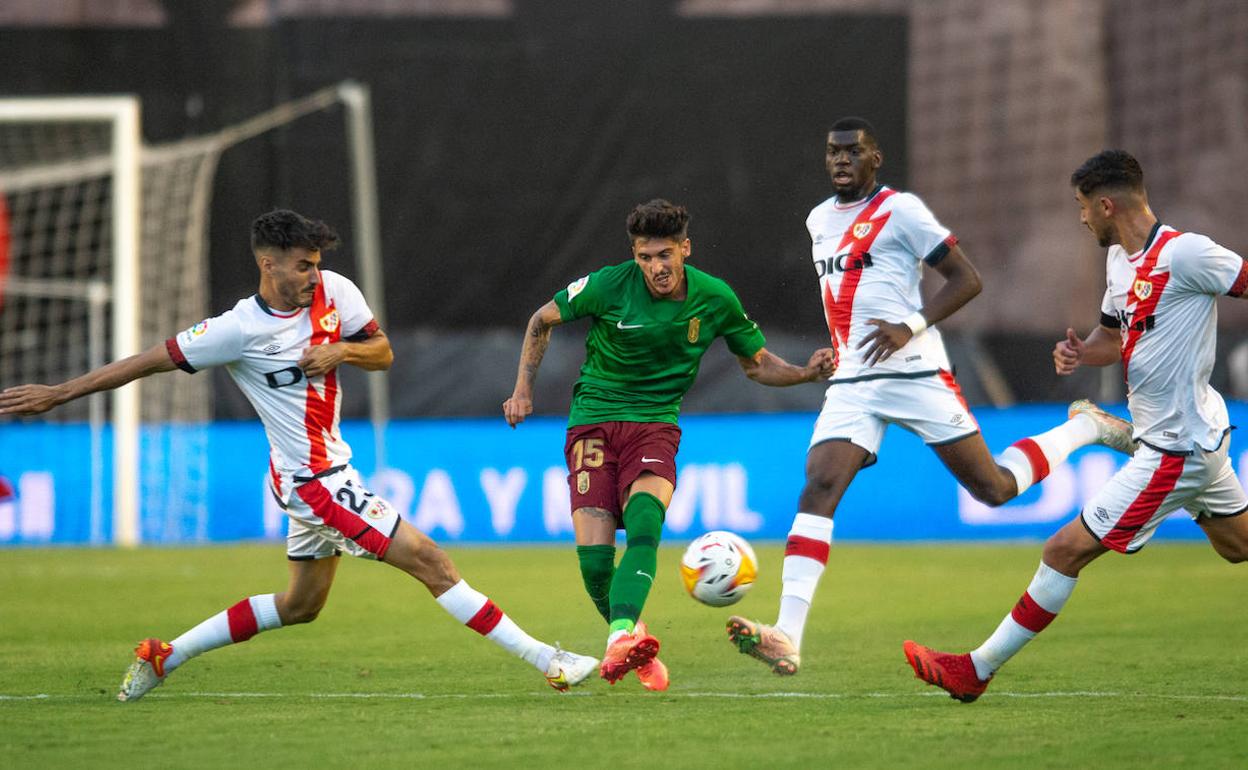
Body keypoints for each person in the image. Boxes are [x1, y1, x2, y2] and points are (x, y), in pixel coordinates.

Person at [0, 209, 599, 700]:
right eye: (303, 266)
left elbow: (383, 351)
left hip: (324, 469)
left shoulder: (335, 291)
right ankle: (548, 658)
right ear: (269, 265)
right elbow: (147, 361)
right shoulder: (235, 330)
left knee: (300, 605)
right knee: (431, 560)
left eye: (318, 264)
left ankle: (165, 656)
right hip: (312, 481)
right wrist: (61, 392)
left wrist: (341, 352)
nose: (315, 275)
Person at [725, 118, 1136, 677]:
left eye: (853, 152)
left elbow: (967, 279)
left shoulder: (902, 211)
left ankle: (1085, 426)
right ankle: (788, 635)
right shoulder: (818, 219)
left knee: (992, 488)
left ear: (876, 158)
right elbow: (850, 295)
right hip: (852, 379)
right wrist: (837, 351)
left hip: (915, 371)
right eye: (832, 153)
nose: (841, 161)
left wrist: (910, 325)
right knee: (820, 483)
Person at [902, 149, 1248, 702]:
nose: (1081, 218)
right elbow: (1111, 341)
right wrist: (1078, 354)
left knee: (1063, 551)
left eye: (1083, 207)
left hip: (1175, 450)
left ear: (1107, 204)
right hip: (1193, 435)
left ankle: (976, 669)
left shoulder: (1187, 254)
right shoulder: (1119, 263)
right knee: (1237, 546)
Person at [503, 198, 835, 691]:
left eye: (664, 255)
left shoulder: (714, 297)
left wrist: (807, 372)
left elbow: (756, 362)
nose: (655, 267)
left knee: (643, 524)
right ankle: (633, 642)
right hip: (593, 421)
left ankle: (618, 636)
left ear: (685, 248)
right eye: (644, 256)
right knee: (594, 563)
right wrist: (523, 390)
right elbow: (540, 319)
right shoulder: (608, 284)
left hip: (655, 425)